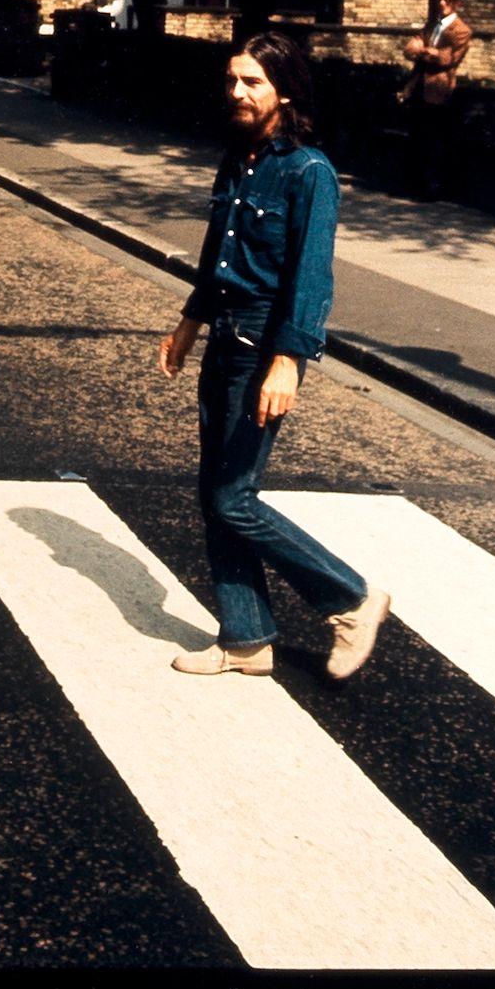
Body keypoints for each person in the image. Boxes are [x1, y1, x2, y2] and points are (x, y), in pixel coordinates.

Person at [157, 34, 389, 679]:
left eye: (252, 82)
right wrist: (188, 324)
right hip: (224, 332)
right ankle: (246, 638)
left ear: (284, 92)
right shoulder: (239, 158)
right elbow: (218, 254)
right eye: (232, 79)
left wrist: (288, 361)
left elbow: (312, 276)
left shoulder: (309, 172)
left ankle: (352, 600)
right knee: (216, 493)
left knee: (234, 497)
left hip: (262, 342)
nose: (236, 92)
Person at [399, 0, 472, 200]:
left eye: (447, 0)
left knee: (435, 141)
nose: (442, 4)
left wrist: (423, 51)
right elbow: (408, 50)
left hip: (439, 91)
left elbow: (448, 58)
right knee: (417, 137)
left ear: (456, 3)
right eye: (439, 0)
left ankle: (432, 189)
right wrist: (427, 51)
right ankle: (415, 185)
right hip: (419, 88)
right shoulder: (431, 25)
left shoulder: (462, 31)